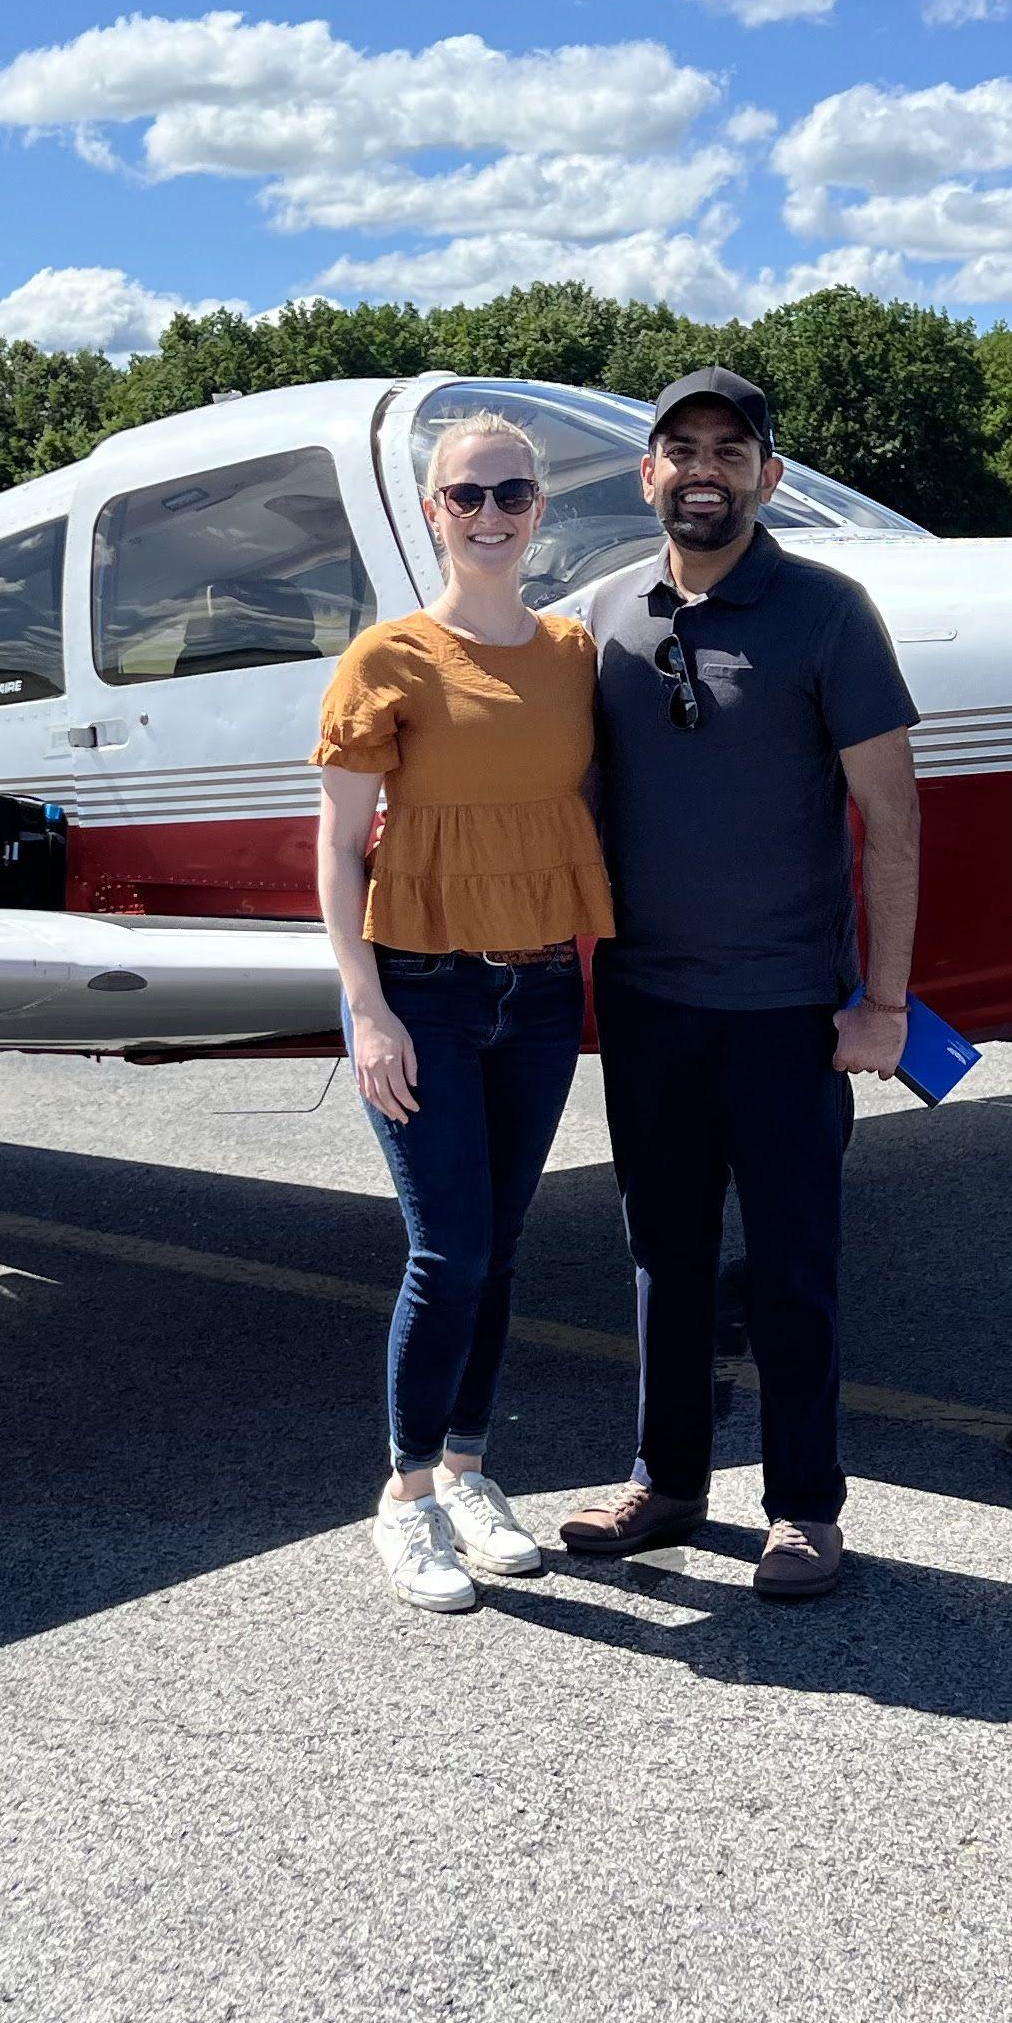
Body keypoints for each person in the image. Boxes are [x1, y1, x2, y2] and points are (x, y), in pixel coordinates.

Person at [556, 368, 919, 1602]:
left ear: (767, 474)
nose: (703, 468)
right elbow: (562, 802)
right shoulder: (601, 618)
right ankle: (667, 1484)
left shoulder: (827, 611)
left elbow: (892, 815)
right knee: (661, 1252)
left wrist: (884, 1002)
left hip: (788, 1012)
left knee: (792, 1262)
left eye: (731, 448)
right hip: (650, 1004)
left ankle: (806, 1510)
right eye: (680, 449)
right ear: (647, 473)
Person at [311, 410, 615, 1615]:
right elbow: (339, 852)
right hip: (420, 991)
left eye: (513, 493)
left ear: (541, 510)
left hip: (538, 987)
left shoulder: (574, 653)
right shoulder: (385, 658)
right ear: (432, 512)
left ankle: (472, 1468)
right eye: (466, 496)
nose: (491, 514)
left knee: (502, 1244)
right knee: (449, 1251)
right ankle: (406, 1498)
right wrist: (367, 1010)